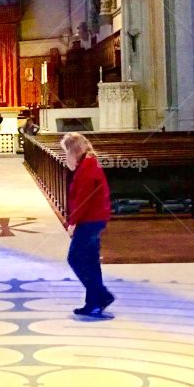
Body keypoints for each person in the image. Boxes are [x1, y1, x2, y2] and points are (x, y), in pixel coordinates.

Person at [60, 131, 114, 321]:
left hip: (90, 220)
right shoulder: (89, 163)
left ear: (74, 150)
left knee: (75, 258)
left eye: (66, 151)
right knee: (90, 260)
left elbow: (83, 198)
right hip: (94, 218)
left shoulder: (88, 166)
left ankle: (101, 295)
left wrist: (73, 222)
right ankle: (94, 302)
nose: (65, 156)